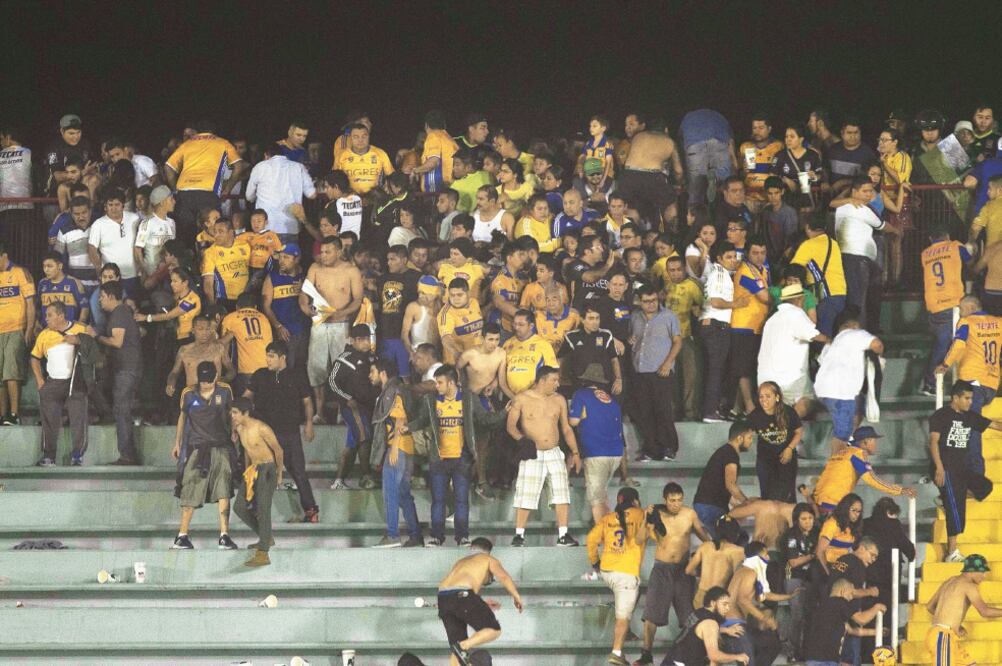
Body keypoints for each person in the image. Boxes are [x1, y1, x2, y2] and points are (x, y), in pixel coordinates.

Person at [407, 364, 505, 547]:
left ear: (451, 383)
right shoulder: (431, 400)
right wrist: (407, 427)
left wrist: (505, 412)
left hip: (462, 459)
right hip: (439, 459)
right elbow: (421, 421)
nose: (436, 386)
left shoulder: (468, 399)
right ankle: (437, 537)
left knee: (461, 500)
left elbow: (484, 419)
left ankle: (462, 537)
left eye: (440, 382)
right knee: (438, 501)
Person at [634, 483, 710, 666]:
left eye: (679, 500)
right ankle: (646, 654)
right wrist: (646, 519)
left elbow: (702, 534)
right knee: (651, 615)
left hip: (684, 570)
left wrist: (715, 548)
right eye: (672, 500)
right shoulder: (656, 514)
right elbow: (638, 539)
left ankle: (693, 655)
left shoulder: (689, 514)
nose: (676, 504)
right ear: (665, 500)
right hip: (662, 569)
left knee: (689, 617)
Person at [506, 365, 581, 547]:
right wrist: (523, 441)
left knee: (561, 493)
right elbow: (511, 427)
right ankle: (519, 535)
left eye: (558, 380)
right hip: (532, 453)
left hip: (554, 452)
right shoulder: (522, 398)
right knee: (526, 493)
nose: (557, 384)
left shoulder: (559, 400)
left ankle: (563, 534)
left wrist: (575, 452)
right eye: (553, 380)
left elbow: (566, 428)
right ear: (541, 380)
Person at [244, 341, 318, 523]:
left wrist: (309, 423)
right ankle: (256, 510)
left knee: (298, 472)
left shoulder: (297, 376)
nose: (267, 360)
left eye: (271, 356)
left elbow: (307, 402)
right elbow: (246, 398)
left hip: (290, 432)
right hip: (265, 434)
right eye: (267, 356)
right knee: (261, 472)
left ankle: (311, 511)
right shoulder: (260, 375)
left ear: (282, 357)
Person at [928, 380, 999, 562]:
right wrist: (939, 467)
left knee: (985, 486)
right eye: (966, 398)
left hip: (962, 469)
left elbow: (995, 425)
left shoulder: (970, 416)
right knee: (956, 511)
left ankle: (947, 499)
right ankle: (952, 553)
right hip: (945, 467)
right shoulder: (941, 415)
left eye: (971, 398)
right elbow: (933, 442)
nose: (970, 402)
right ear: (955, 398)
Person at [170, 361, 237, 550]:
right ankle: (182, 536)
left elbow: (232, 414)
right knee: (190, 490)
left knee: (224, 490)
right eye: (203, 380)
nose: (206, 384)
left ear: (216, 376)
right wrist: (177, 443)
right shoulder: (188, 393)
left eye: (209, 380)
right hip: (197, 448)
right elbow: (182, 417)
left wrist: (234, 432)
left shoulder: (225, 391)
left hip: (221, 446)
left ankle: (224, 535)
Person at [936, 294, 1002, 476]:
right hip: (991, 384)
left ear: (972, 308)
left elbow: (958, 345)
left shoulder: (967, 322)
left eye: (962, 308)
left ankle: (976, 477)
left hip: (973, 384)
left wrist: (945, 364)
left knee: (971, 429)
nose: (960, 312)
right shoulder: (998, 322)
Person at [300, 236, 364, 418]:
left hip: (340, 325)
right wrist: (307, 309)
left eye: (328, 252)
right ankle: (319, 413)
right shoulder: (315, 268)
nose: (323, 255)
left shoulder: (351, 271)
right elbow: (304, 295)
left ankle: (341, 413)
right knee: (316, 369)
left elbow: (358, 299)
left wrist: (340, 313)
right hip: (319, 325)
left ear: (339, 251)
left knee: (341, 369)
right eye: (321, 251)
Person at [437, 537, 524, 666]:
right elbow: (503, 576)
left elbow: (456, 593)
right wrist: (516, 596)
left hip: (442, 597)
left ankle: (460, 647)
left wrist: (480, 603)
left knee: (457, 650)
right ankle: (463, 646)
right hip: (463, 594)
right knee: (493, 630)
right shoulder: (487, 559)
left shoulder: (460, 562)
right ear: (488, 551)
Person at [587, 486, 647, 666]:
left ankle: (623, 627)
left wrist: (595, 562)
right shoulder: (640, 514)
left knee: (636, 594)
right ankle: (616, 652)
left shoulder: (607, 518)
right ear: (635, 501)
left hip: (607, 572)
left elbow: (590, 540)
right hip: (626, 575)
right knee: (623, 617)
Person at [164, 121, 246, 248]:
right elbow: (238, 166)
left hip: (184, 193)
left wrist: (175, 189)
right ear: (214, 131)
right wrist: (228, 188)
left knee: (186, 238)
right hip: (208, 193)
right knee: (212, 237)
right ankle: (210, 266)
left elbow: (168, 167)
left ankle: (187, 266)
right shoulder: (222, 143)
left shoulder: (188, 143)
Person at [369, 358, 423, 548]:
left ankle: (392, 535)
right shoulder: (401, 388)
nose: (370, 375)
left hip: (397, 448)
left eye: (373, 371)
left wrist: (393, 447)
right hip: (407, 448)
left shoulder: (392, 391)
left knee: (390, 492)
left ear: (383, 373)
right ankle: (416, 536)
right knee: (403, 494)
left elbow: (400, 420)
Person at [815, 309, 884, 452]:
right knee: (842, 434)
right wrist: (878, 355)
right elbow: (877, 345)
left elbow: (821, 361)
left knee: (860, 407)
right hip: (841, 392)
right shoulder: (856, 334)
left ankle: (847, 450)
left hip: (825, 390)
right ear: (854, 325)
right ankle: (836, 467)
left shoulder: (832, 343)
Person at [89, 281, 141, 464]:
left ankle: (128, 456)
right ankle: (127, 453)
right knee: (117, 405)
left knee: (122, 409)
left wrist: (95, 336)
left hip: (127, 369)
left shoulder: (119, 313)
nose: (100, 301)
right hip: (122, 368)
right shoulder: (119, 313)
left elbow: (117, 342)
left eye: (102, 297)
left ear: (111, 296)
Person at [31, 301, 88, 467]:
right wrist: (40, 380)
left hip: (75, 383)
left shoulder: (80, 329)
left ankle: (77, 455)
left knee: (78, 418)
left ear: (61, 316)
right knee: (48, 420)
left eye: (50, 315)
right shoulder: (44, 335)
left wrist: (78, 340)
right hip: (52, 383)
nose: (46, 318)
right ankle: (49, 456)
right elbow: (34, 358)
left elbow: (94, 347)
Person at [629, 284, 682, 459]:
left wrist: (668, 364)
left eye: (654, 300)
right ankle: (651, 450)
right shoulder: (635, 317)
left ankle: (669, 448)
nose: (651, 304)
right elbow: (632, 338)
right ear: (640, 301)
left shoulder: (668, 316)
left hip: (661, 371)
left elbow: (677, 342)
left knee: (663, 410)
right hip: (640, 370)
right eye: (646, 301)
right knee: (644, 412)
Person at [757, 284, 827, 417]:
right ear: (799, 299)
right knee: (808, 400)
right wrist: (832, 340)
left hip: (764, 381)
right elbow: (813, 335)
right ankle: (789, 429)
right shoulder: (796, 313)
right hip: (787, 380)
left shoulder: (772, 319)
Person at [813, 426, 916, 515]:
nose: (876, 445)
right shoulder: (858, 454)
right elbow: (872, 480)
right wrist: (899, 490)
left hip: (818, 501)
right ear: (866, 441)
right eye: (874, 441)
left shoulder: (843, 452)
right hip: (832, 504)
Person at [230, 397, 284, 567]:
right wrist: (247, 470)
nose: (232, 416)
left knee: (263, 508)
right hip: (253, 470)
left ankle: (263, 553)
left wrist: (279, 473)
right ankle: (266, 537)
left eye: (235, 413)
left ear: (245, 413)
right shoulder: (239, 428)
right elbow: (247, 450)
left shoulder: (261, 428)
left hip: (267, 469)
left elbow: (278, 450)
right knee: (239, 507)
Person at [724, 541, 795, 666]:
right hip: (734, 625)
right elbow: (743, 600)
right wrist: (764, 618)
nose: (768, 557)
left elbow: (765, 595)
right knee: (748, 661)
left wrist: (789, 596)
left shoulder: (747, 571)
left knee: (773, 644)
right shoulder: (749, 573)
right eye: (765, 554)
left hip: (739, 624)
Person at [924, 554, 1002, 666]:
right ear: (972, 571)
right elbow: (984, 611)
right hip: (943, 637)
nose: (984, 576)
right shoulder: (969, 586)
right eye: (982, 572)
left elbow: (930, 606)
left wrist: (954, 624)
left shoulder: (951, 580)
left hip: (943, 635)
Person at [700, 241, 747, 422]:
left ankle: (713, 410)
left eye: (735, 256)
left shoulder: (723, 273)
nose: (733, 260)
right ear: (719, 259)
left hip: (715, 326)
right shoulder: (719, 273)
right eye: (728, 257)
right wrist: (736, 304)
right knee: (715, 370)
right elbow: (716, 301)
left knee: (716, 370)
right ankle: (709, 412)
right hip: (716, 326)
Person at [329, 325, 379, 489]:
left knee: (353, 443)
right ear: (353, 340)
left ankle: (338, 480)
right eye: (361, 339)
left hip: (369, 406)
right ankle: (366, 476)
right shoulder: (344, 358)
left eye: (367, 339)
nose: (365, 343)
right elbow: (332, 382)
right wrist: (346, 398)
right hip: (353, 407)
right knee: (364, 436)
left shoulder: (373, 358)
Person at [568, 384, 626, 524]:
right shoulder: (612, 400)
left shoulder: (581, 394)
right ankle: (609, 531)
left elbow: (573, 422)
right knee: (602, 495)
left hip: (596, 454)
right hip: (616, 454)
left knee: (597, 501)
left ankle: (603, 538)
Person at [835, 177, 884, 330]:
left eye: (870, 191)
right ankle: (858, 333)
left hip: (857, 259)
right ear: (854, 192)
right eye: (865, 191)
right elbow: (882, 225)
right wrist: (896, 231)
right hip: (857, 259)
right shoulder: (857, 208)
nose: (869, 194)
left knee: (859, 297)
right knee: (858, 299)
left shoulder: (845, 206)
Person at [729, 236, 771, 415]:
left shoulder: (761, 270)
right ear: (747, 254)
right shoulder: (746, 271)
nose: (759, 256)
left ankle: (736, 408)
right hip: (743, 325)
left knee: (746, 367)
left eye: (762, 253)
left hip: (755, 326)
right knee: (743, 368)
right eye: (755, 253)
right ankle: (749, 407)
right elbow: (765, 297)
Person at [658, 586, 750, 666]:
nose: (728, 608)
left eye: (728, 605)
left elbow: (700, 630)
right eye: (724, 604)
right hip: (680, 663)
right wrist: (737, 657)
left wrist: (726, 630)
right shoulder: (710, 623)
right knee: (717, 656)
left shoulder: (700, 612)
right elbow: (714, 656)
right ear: (713, 603)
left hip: (671, 660)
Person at [804, 578, 885, 666]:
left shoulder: (825, 607)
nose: (851, 598)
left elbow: (853, 631)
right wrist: (876, 608)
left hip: (814, 659)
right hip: (825, 661)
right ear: (843, 591)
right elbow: (861, 620)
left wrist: (878, 632)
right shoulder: (839, 601)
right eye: (850, 594)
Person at [245, 142, 316, 242]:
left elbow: (249, 196)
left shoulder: (259, 167)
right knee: (290, 256)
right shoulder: (298, 167)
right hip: (291, 227)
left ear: (266, 155)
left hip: (266, 228)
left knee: (266, 257)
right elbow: (311, 194)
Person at [692, 421, 754, 535]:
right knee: (730, 540)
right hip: (710, 506)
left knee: (740, 537)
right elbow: (730, 485)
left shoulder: (725, 452)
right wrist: (746, 502)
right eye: (749, 438)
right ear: (740, 438)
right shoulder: (730, 455)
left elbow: (719, 484)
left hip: (709, 505)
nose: (751, 441)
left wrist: (737, 504)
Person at [791, 215, 847, 337]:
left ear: (807, 227)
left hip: (825, 297)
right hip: (840, 295)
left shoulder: (809, 245)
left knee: (821, 336)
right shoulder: (834, 243)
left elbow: (793, 272)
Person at [746, 381, 803, 502]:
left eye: (768, 396)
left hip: (786, 459)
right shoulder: (756, 415)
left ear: (777, 397)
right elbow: (745, 431)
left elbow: (799, 432)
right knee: (767, 498)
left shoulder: (788, 412)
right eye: (761, 396)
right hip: (765, 461)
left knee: (787, 497)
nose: (763, 400)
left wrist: (789, 448)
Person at [261, 243, 310, 373]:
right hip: (285, 333)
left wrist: (304, 290)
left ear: (297, 259)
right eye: (280, 257)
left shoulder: (305, 277)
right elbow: (266, 306)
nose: (281, 261)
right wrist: (278, 326)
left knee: (302, 370)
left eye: (286, 257)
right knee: (285, 370)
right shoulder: (272, 277)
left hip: (304, 331)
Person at [164, 314, 235, 402]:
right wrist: (170, 383)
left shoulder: (219, 348)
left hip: (215, 396)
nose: (204, 333)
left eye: (207, 329)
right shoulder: (184, 350)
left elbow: (231, 370)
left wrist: (224, 380)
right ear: (193, 330)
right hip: (193, 396)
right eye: (200, 329)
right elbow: (174, 372)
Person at [780, 503, 818, 661]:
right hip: (794, 577)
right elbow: (794, 563)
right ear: (796, 520)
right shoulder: (791, 535)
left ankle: (807, 649)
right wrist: (813, 555)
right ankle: (793, 652)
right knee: (797, 615)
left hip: (813, 577)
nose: (808, 522)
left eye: (810, 518)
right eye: (804, 519)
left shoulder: (817, 532)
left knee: (811, 615)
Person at [862, 497, 916, 609]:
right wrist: (911, 555)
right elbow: (906, 546)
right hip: (890, 570)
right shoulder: (894, 524)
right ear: (889, 512)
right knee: (889, 603)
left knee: (870, 600)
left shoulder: (865, 523)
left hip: (870, 568)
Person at [87, 189, 141, 297]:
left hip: (134, 275)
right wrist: (99, 271)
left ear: (123, 205)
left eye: (117, 204)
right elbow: (92, 249)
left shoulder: (135, 218)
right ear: (105, 206)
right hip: (111, 279)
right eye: (110, 205)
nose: (113, 208)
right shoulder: (98, 224)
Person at [685, 516, 746, 608]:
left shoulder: (704, 546)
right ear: (736, 533)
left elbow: (688, 570)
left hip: (701, 596)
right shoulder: (738, 551)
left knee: (702, 622)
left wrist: (705, 574)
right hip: (719, 597)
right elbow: (738, 579)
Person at [679, 108, 736, 205]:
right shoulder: (719, 115)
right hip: (719, 142)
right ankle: (725, 207)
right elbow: (731, 141)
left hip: (695, 145)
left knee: (696, 184)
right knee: (725, 180)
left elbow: (682, 141)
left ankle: (696, 212)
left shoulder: (687, 118)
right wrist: (734, 160)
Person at [220, 293, 273, 390]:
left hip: (246, 370)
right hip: (268, 367)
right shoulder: (264, 318)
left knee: (245, 402)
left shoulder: (230, 318)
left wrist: (229, 369)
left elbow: (222, 346)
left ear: (237, 307)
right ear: (255, 307)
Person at [500, 310, 558, 398]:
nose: (516, 327)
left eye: (521, 324)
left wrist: (530, 394)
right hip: (510, 397)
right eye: (514, 324)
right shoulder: (507, 344)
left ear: (531, 326)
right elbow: (501, 373)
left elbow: (552, 373)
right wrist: (513, 398)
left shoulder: (543, 344)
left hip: (535, 397)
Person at [334, 122, 395, 198]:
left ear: (369, 137)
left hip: (375, 199)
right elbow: (335, 181)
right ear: (350, 138)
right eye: (356, 137)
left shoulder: (380, 154)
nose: (360, 140)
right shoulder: (342, 156)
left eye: (364, 136)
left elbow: (392, 176)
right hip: (350, 201)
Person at [739, 114, 784, 210]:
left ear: (769, 129)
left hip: (770, 199)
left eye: (761, 128)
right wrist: (744, 171)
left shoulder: (778, 147)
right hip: (748, 198)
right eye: (754, 128)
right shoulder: (745, 147)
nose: (757, 131)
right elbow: (739, 175)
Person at [133, 185, 176, 281]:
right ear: (162, 202)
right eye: (171, 199)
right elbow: (138, 249)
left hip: (169, 272)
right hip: (152, 274)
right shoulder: (147, 223)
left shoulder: (172, 223)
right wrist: (144, 270)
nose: (174, 202)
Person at [439, 278, 485, 365]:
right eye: (452, 295)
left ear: (468, 293)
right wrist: (460, 357)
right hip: (457, 362)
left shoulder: (474, 303)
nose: (455, 299)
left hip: (478, 357)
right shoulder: (446, 314)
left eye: (459, 295)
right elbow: (446, 339)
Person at [815, 493, 864, 573]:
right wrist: (829, 573)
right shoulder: (832, 523)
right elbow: (820, 552)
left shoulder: (853, 526)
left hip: (840, 567)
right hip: (824, 566)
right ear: (845, 508)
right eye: (853, 510)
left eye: (859, 511)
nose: (856, 514)